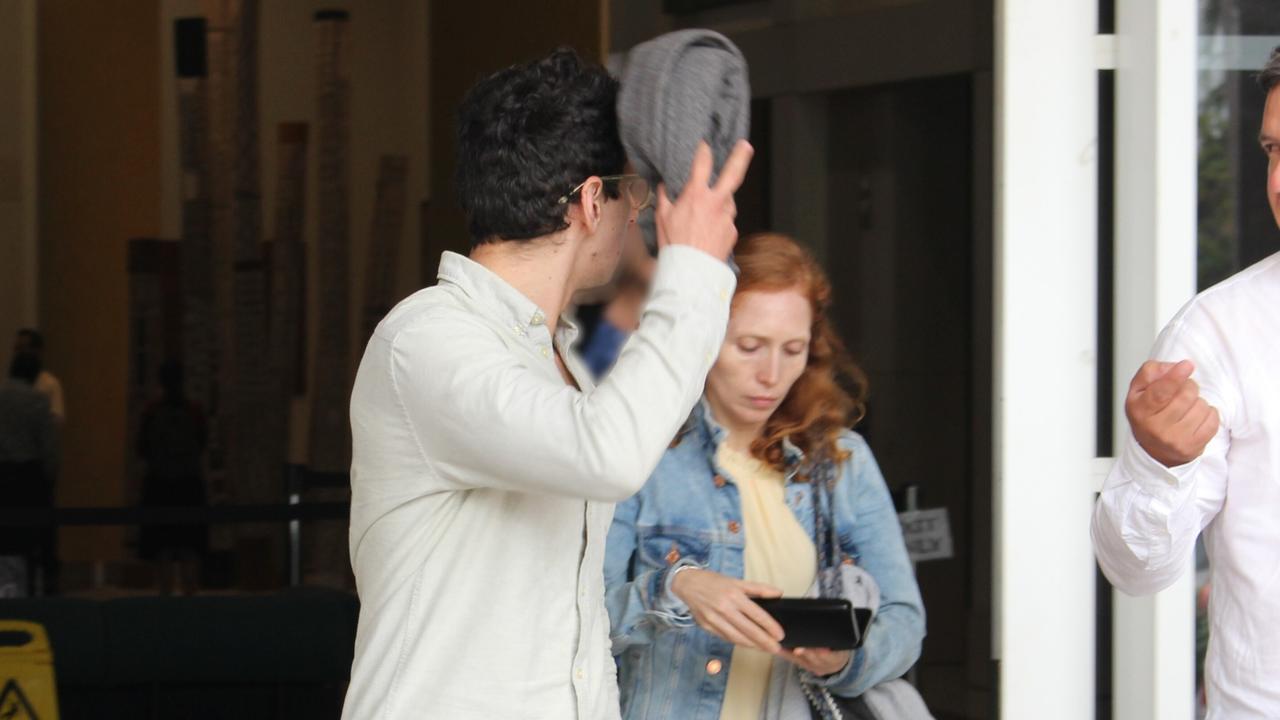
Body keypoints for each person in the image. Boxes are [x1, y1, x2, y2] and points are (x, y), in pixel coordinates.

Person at [342, 47, 753, 719]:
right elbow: (609, 452)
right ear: (594, 200)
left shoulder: (557, 357)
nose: (636, 216)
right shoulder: (428, 340)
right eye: (633, 193)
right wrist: (694, 267)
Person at [604, 233, 925, 719]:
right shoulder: (643, 453)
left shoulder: (842, 462)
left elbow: (905, 621)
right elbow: (581, 621)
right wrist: (676, 588)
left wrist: (844, 659)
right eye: (750, 346)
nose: (771, 374)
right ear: (706, 336)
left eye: (792, 349)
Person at [1092, 47, 1280, 717]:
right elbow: (1134, 571)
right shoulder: (1218, 332)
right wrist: (1156, 465)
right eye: (1272, 151)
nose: (1279, 180)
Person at [136, 361, 207, 591]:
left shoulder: (152, 412)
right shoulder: (194, 411)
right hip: (189, 484)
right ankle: (190, 595)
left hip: (159, 485)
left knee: (162, 548)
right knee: (190, 547)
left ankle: (165, 598)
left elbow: (141, 448)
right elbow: (202, 443)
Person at [0, 351, 58, 596]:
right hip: (28, 476)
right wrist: (50, 477)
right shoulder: (38, 400)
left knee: (5, 539)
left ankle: (6, 588)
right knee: (35, 539)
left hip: (2, 474)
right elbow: (49, 447)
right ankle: (36, 592)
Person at [13, 329, 64, 424]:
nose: (19, 353)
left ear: (37, 351)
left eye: (23, 348)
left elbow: (56, 420)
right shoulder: (9, 386)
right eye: (17, 348)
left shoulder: (50, 384)